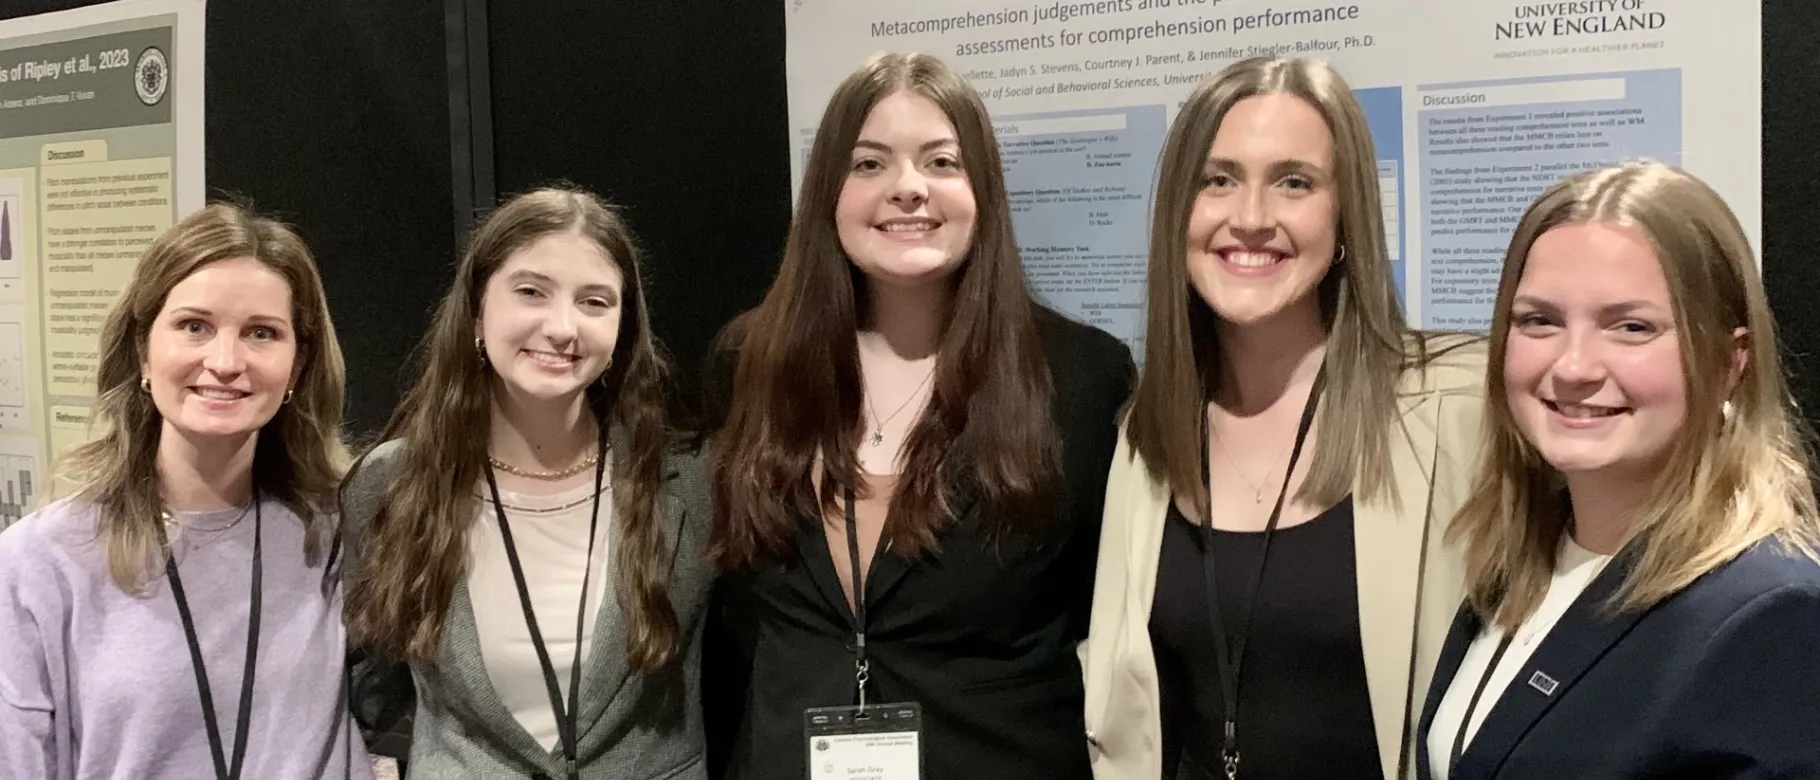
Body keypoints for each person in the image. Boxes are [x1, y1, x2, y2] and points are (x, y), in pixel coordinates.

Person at [699, 52, 1135, 780]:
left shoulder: (1080, 378)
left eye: (941, 162)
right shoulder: (749, 365)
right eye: (869, 165)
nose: (907, 189)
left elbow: (1105, 612)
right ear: (827, 194)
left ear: (982, 191)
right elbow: (736, 620)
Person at [1078, 56, 1488, 780]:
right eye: (1219, 179)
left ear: (1344, 219)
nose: (1252, 218)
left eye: (1294, 182)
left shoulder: (1455, 409)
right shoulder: (1149, 434)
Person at [1417, 161, 1820, 779]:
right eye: (1539, 321)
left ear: (1729, 362)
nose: (1574, 366)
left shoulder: (1773, 617)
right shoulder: (1522, 567)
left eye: (1631, 327)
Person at [338, 186, 712, 779]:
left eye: (594, 302)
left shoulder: (690, 483)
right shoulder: (390, 485)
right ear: (476, 312)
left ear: (621, 331)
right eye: (531, 292)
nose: (562, 327)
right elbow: (370, 678)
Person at [0, 203, 370, 779]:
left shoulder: (339, 534)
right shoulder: (40, 561)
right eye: (194, 326)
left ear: (297, 367)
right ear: (145, 351)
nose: (225, 361)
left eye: (262, 333)